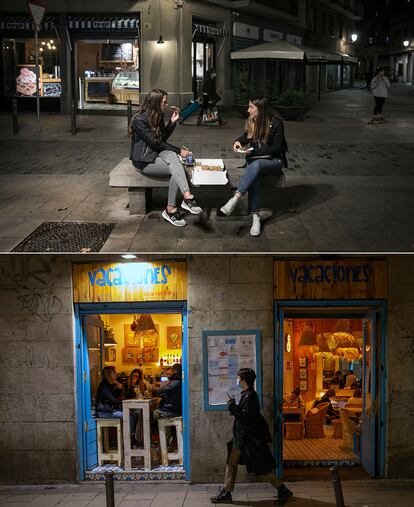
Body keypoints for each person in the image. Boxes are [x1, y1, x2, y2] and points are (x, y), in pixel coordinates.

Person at [210, 368, 293, 505]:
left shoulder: (251, 396)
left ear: (243, 380)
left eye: (238, 378)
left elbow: (245, 417)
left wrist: (231, 405)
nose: (237, 380)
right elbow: (244, 414)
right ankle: (227, 491)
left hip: (247, 440)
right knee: (231, 463)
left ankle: (283, 490)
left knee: (263, 468)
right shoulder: (247, 395)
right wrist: (235, 408)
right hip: (241, 438)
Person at [130, 88, 203, 227]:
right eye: (164, 102)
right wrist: (179, 151)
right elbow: (156, 143)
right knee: (175, 164)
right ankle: (180, 202)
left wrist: (172, 122)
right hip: (143, 161)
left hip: (155, 155)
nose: (166, 105)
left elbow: (162, 139)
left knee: (172, 158)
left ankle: (177, 205)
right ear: (155, 103)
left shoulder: (156, 116)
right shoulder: (139, 120)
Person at [219, 96, 288, 237]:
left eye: (251, 107)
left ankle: (235, 199)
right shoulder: (251, 121)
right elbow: (246, 137)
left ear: (261, 109)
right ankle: (255, 218)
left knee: (255, 165)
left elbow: (276, 148)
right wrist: (238, 141)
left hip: (274, 161)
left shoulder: (277, 123)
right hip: (256, 161)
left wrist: (254, 151)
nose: (248, 110)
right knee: (255, 172)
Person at [96, 366, 139, 447]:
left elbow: (116, 396)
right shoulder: (104, 386)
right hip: (103, 412)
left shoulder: (110, 384)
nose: (116, 374)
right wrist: (122, 402)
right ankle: (127, 440)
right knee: (130, 416)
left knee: (134, 413)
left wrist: (119, 388)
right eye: (114, 372)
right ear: (110, 374)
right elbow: (113, 400)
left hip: (109, 410)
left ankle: (130, 437)